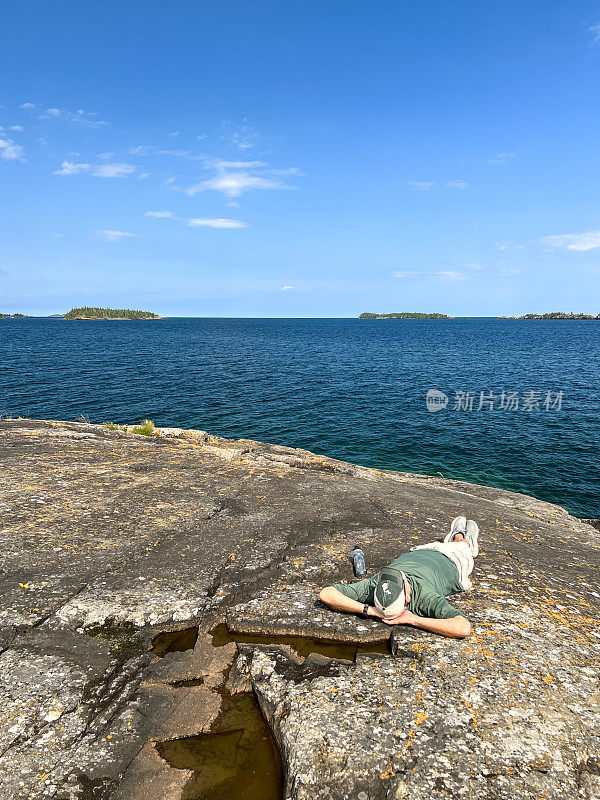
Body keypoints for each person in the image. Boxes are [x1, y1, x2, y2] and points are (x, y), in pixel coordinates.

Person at [318, 516, 478, 639]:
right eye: (402, 582)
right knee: (463, 546)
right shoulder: (425, 597)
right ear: (407, 598)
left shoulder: (376, 585)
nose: (401, 576)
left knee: (437, 544)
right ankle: (463, 538)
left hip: (421, 551)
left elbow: (326, 593)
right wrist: (413, 620)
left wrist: (369, 610)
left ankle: (455, 537)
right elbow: (462, 627)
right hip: (454, 559)